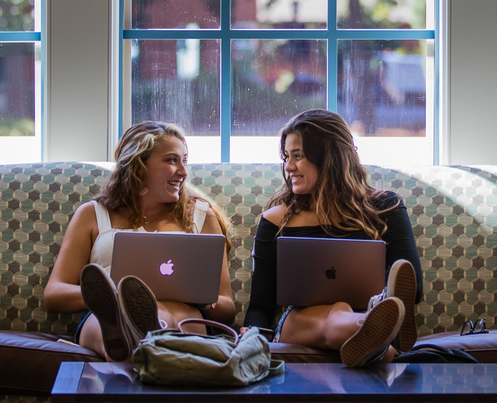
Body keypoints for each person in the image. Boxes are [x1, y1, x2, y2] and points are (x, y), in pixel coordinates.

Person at [242, 109, 423, 368]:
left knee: (347, 315)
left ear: (328, 158)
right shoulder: (275, 221)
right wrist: (252, 335)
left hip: (365, 310)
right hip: (298, 323)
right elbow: (261, 304)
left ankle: (372, 331)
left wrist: (380, 298)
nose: (289, 166)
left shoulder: (385, 207)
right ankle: (375, 331)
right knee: (336, 312)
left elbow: (412, 285)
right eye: (286, 157)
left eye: (298, 156)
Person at [44, 121, 235, 362]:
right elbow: (54, 295)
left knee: (169, 321)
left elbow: (227, 307)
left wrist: (205, 300)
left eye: (184, 160)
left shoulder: (201, 216)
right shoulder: (93, 214)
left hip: (184, 314)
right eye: (171, 160)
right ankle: (130, 333)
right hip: (109, 314)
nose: (184, 172)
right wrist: (112, 294)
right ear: (139, 165)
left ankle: (141, 339)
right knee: (115, 324)